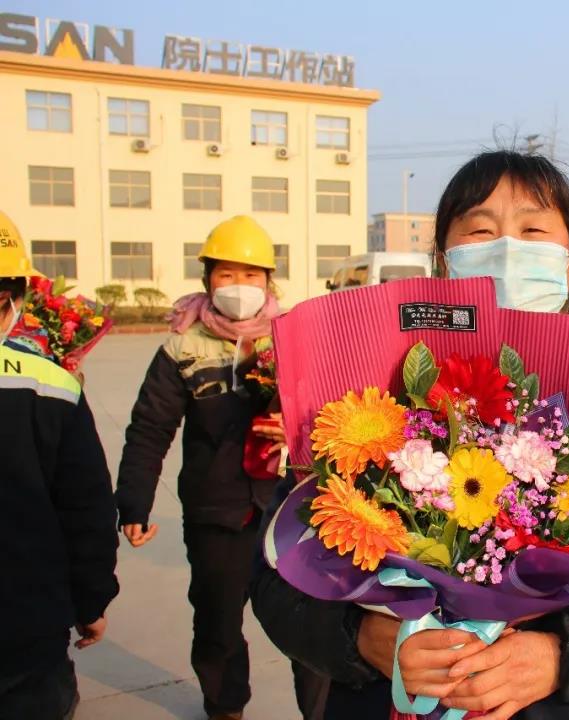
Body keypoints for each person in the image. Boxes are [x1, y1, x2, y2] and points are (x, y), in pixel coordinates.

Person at [250, 150, 569, 720]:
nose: (507, 249)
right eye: (480, 231)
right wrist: (362, 640)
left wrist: (563, 656)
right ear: (443, 261)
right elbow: (276, 577)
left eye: (533, 231)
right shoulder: (364, 403)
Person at [114, 215, 328, 720]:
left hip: (293, 511)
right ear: (207, 279)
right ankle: (225, 706)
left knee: (314, 623)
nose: (238, 285)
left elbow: (333, 413)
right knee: (217, 623)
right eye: (226, 274)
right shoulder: (183, 347)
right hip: (216, 510)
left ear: (269, 280)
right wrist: (134, 502)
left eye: (250, 275)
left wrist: (298, 431)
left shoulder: (293, 338)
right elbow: (150, 427)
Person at [0, 211, 119, 720]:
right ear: (16, 300)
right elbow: (86, 508)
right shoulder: (51, 386)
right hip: (26, 627)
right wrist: (91, 601)